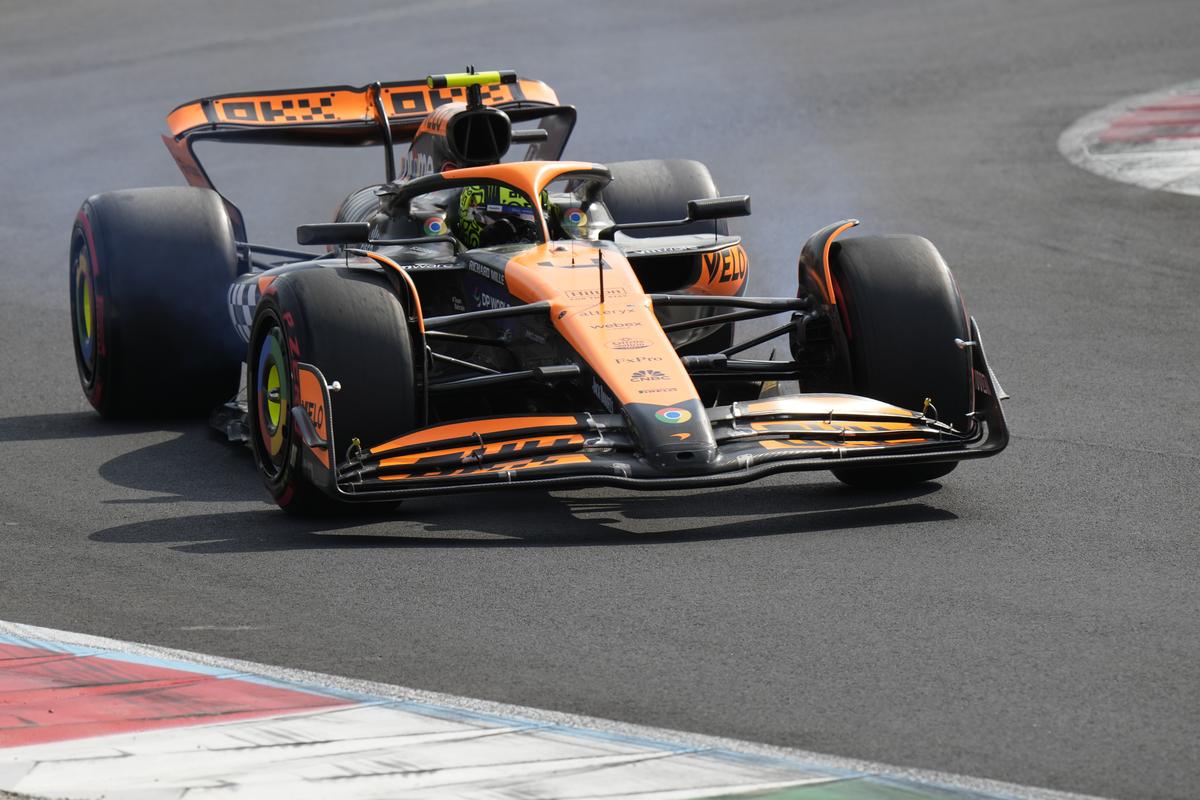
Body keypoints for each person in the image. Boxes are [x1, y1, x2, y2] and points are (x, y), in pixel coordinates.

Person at [447, 184, 551, 248]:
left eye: (523, 218)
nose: (510, 226)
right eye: (496, 217)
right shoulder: (447, 248)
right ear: (468, 213)